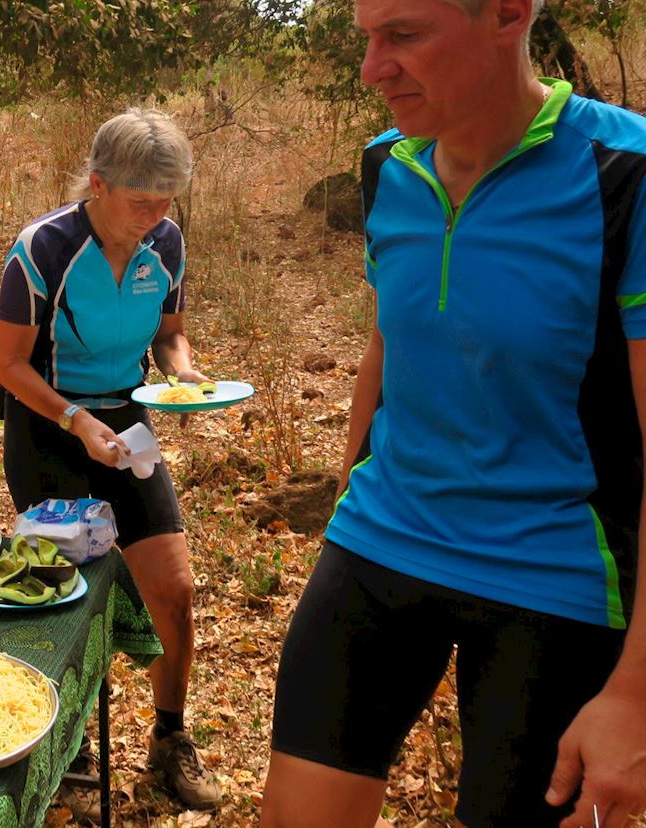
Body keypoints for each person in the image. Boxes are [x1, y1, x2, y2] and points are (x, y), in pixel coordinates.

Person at [260, 0, 646, 825]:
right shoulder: (388, 166)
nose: (372, 69)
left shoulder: (626, 175)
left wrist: (637, 695)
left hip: (556, 575)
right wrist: (343, 503)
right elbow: (388, 345)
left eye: (404, 35)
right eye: (367, 37)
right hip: (382, 533)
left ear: (510, 14)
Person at [0, 108, 221, 810]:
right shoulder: (43, 250)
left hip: (127, 424)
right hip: (49, 424)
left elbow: (172, 335)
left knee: (174, 589)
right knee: (64, 597)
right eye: (141, 202)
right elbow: (7, 365)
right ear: (98, 183)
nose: (154, 218)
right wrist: (75, 419)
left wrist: (184, 373)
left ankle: (170, 739)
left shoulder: (168, 244)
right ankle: (68, 747)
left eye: (166, 203)